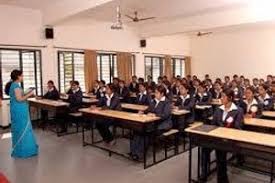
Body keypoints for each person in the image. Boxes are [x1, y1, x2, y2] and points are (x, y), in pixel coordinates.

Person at [201, 89, 244, 183]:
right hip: (217, 137)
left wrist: (225, 131)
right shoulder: (218, 109)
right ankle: (204, 173)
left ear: (230, 98)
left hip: (228, 139)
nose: (221, 98)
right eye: (221, 96)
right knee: (204, 148)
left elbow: (238, 128)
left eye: (223, 96)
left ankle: (222, 179)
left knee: (220, 152)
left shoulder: (238, 110)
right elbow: (213, 124)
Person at [130, 85, 172, 160]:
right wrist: (143, 112)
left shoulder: (167, 102)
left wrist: (154, 114)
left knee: (146, 133)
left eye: (156, 93)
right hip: (153, 122)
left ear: (162, 94)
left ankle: (139, 154)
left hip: (163, 124)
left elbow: (165, 115)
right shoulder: (154, 100)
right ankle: (133, 152)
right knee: (137, 131)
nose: (154, 94)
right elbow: (149, 109)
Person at [5, 69, 39, 158]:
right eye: (22, 75)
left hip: (18, 108)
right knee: (22, 128)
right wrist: (30, 93)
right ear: (18, 76)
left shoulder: (14, 85)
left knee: (23, 127)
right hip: (19, 109)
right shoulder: (15, 86)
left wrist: (27, 93)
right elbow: (19, 99)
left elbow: (19, 96)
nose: (23, 77)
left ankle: (25, 148)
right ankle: (24, 150)